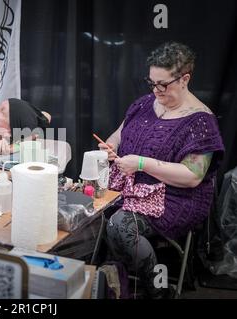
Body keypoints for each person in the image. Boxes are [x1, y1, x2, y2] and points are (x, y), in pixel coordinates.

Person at [99, 42, 224, 298]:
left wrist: (142, 163)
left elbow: (192, 177)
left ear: (184, 79)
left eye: (163, 84)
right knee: (85, 213)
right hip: (129, 186)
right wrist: (109, 146)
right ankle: (109, 279)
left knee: (121, 225)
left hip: (174, 199)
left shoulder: (201, 122)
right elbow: (118, 135)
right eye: (152, 82)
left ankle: (158, 290)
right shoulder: (144, 104)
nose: (156, 90)